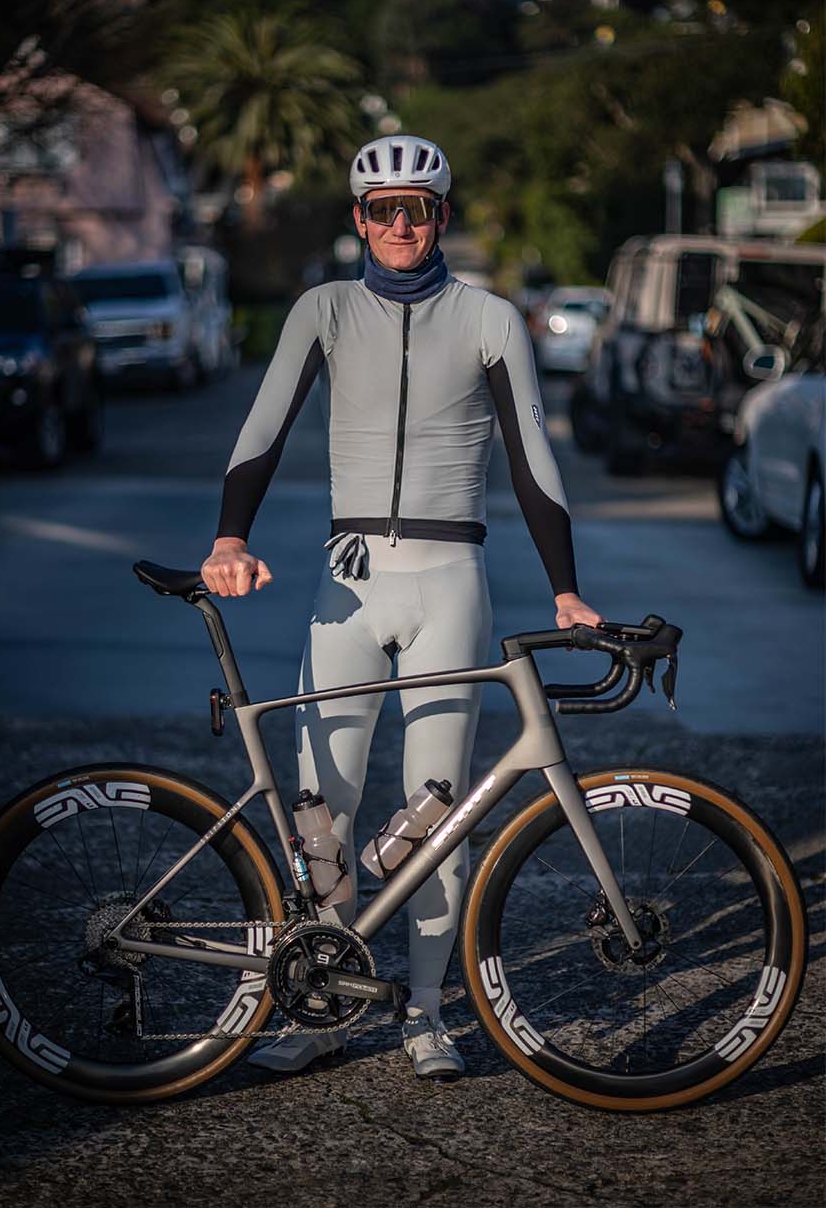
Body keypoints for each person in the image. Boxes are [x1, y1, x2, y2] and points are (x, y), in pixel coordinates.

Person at [204, 133, 600, 1080]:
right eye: (381, 208)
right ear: (359, 220)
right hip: (346, 586)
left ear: (441, 218)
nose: (398, 224)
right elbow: (263, 426)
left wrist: (567, 588)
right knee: (319, 811)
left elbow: (533, 460)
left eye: (415, 208)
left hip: (449, 581)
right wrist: (229, 537)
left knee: (437, 812)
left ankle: (426, 1013)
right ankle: (327, 1009)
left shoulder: (490, 319)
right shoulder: (325, 309)